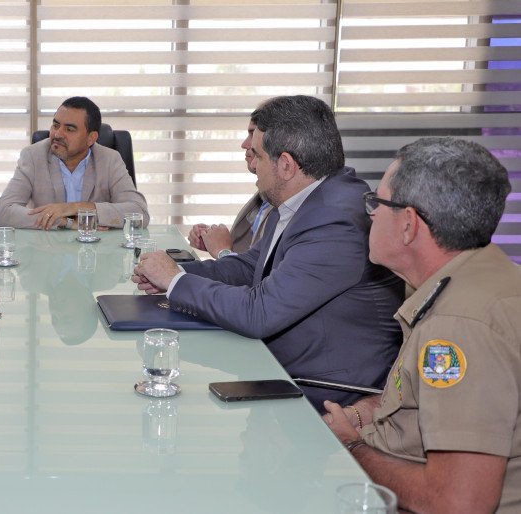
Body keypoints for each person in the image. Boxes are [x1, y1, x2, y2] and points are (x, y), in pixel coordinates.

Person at [132, 95, 404, 411]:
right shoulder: (303, 198)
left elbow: (259, 313)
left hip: (325, 394)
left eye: (257, 155)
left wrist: (176, 282)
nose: (250, 161)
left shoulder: (335, 220)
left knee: (170, 395)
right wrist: (175, 274)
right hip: (280, 364)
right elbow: (252, 268)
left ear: (286, 165)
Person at [323, 138, 519, 512]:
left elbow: (458, 503)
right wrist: (364, 414)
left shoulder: (458, 327)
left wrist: (352, 446)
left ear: (409, 224)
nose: (371, 215)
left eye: (377, 204)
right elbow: (435, 402)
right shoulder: (484, 280)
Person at [0, 96, 149, 230]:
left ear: (91, 138)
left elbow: (139, 212)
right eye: (55, 125)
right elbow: (3, 212)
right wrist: (65, 222)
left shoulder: (110, 159)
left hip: (96, 254)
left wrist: (74, 208)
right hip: (49, 252)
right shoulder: (33, 156)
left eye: (69, 129)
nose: (58, 134)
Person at [187, 119, 271, 257]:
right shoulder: (265, 191)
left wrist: (222, 251)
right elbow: (249, 251)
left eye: (253, 134)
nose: (244, 144)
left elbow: (258, 273)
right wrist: (213, 241)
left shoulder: (284, 201)